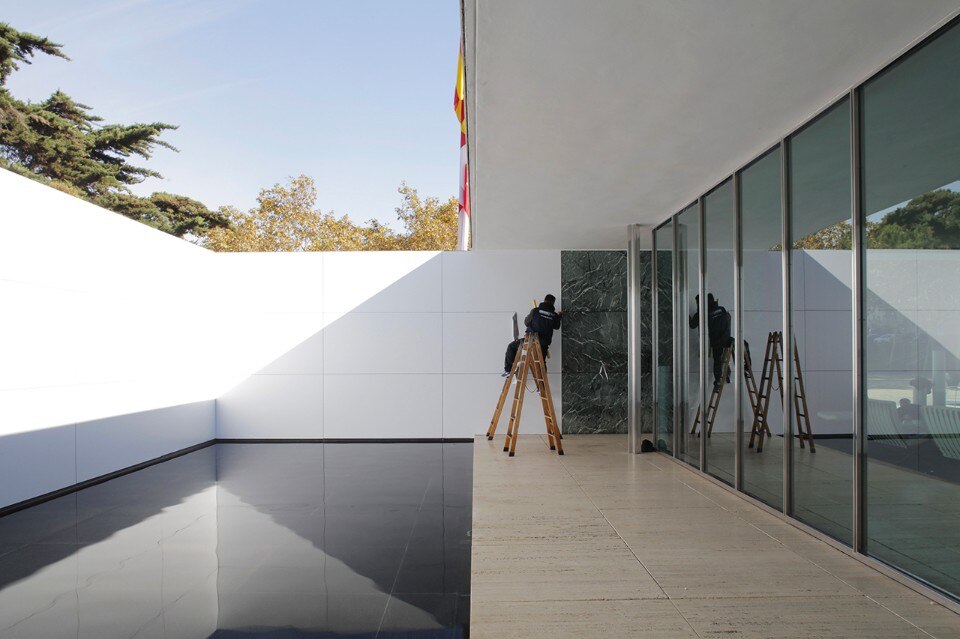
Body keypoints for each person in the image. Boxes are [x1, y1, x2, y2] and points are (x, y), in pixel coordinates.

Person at [689, 293, 732, 390]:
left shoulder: (702, 313)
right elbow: (727, 320)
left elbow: (692, 325)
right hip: (727, 339)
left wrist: (687, 316)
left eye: (698, 303)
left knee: (718, 361)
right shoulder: (721, 309)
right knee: (725, 358)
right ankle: (733, 373)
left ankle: (718, 381)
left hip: (716, 342)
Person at [524, 294, 562, 361]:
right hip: (543, 343)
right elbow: (557, 326)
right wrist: (559, 317)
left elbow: (526, 323)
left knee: (511, 346)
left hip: (530, 340)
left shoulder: (535, 311)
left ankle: (508, 368)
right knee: (541, 363)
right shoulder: (554, 315)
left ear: (544, 300)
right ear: (553, 303)